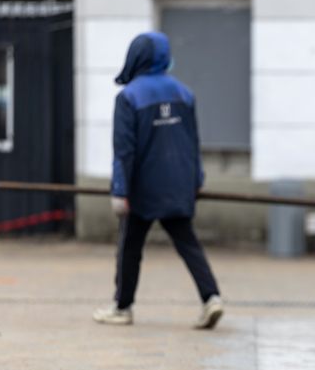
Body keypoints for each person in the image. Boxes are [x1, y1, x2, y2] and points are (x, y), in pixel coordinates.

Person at [92, 31, 223, 329]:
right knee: (187, 243)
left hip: (143, 189)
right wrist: (197, 180)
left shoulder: (129, 96)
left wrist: (119, 190)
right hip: (179, 184)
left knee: (130, 248)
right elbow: (193, 142)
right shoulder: (184, 93)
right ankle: (211, 297)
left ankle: (122, 307)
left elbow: (124, 150)